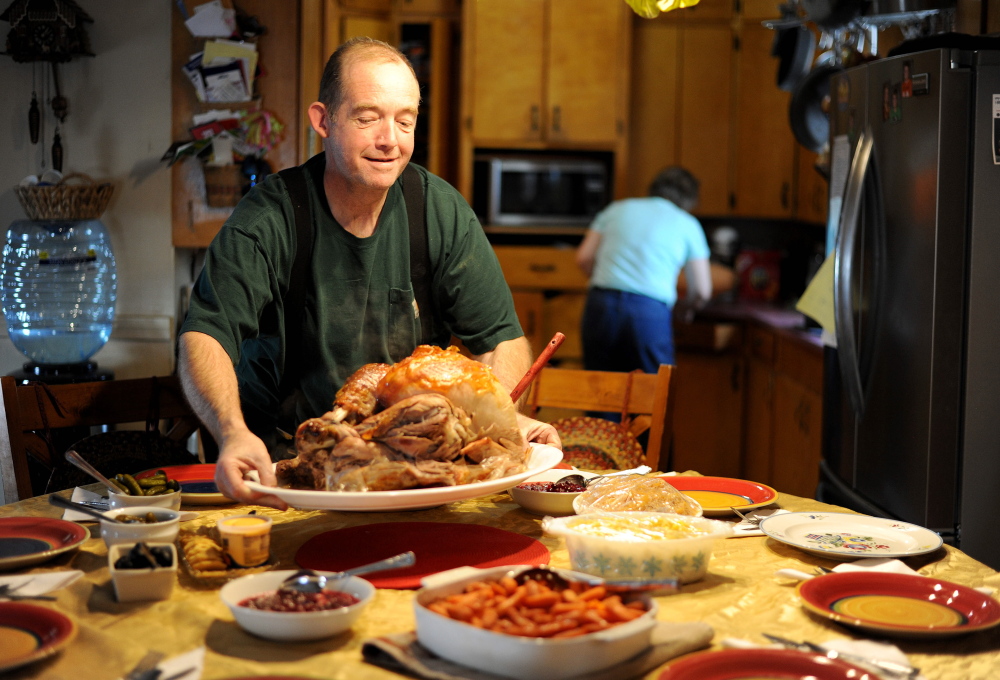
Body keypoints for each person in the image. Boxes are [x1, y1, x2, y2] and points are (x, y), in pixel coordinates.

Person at [178, 37, 559, 509]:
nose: (390, 140)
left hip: (413, 471)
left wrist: (497, 419)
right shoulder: (271, 218)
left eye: (405, 120)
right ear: (323, 120)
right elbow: (204, 335)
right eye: (367, 117)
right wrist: (233, 433)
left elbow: (501, 339)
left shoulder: (437, 209)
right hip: (286, 476)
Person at [575, 166, 712, 376]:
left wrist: (609, 279)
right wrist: (685, 309)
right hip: (649, 311)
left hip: (601, 305)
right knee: (653, 393)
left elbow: (583, 257)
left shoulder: (616, 209)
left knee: (599, 390)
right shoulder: (688, 224)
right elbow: (702, 290)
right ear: (689, 199)